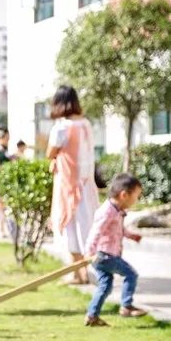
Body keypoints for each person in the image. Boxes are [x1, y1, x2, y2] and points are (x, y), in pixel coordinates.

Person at [47, 85, 99, 285]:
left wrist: (54, 160)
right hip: (86, 184)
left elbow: (50, 153)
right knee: (84, 227)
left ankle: (77, 273)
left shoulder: (61, 128)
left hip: (68, 185)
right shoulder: (86, 124)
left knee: (71, 228)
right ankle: (83, 272)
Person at [84, 173, 146, 326]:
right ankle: (126, 306)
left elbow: (117, 230)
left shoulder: (115, 210)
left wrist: (131, 236)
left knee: (105, 286)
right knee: (131, 274)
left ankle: (92, 316)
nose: (136, 201)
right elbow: (96, 232)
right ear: (124, 195)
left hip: (103, 255)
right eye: (136, 196)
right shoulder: (107, 212)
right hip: (104, 255)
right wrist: (89, 252)